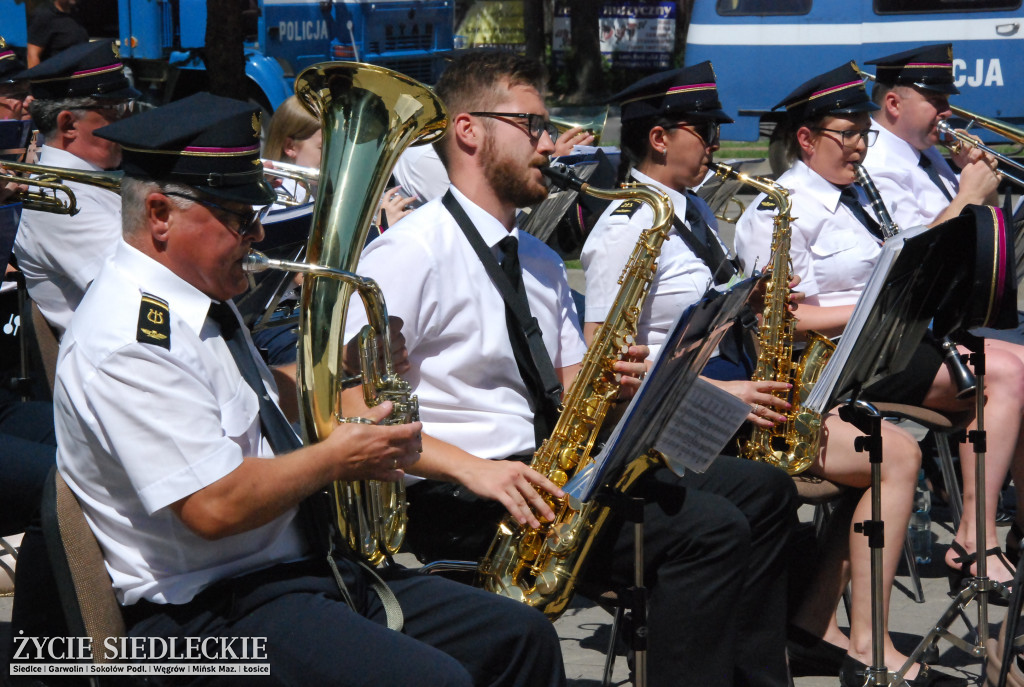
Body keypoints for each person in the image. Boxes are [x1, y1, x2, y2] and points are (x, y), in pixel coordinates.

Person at [53, 90, 565, 686]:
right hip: (207, 616)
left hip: (289, 577)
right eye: (241, 219)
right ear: (161, 214)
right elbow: (213, 506)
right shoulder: (130, 338)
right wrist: (336, 458)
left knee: (519, 637)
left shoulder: (193, 300)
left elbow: (251, 402)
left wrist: (346, 368)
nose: (260, 236)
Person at [344, 49, 794, 687]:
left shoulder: (540, 260)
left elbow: (576, 385)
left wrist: (627, 381)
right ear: (468, 129)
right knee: (706, 531)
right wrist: (479, 471)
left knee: (765, 492)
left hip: (552, 473)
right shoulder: (406, 255)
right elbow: (357, 416)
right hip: (464, 491)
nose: (550, 144)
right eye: (533, 126)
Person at [581, 61, 942, 685]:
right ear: (660, 137)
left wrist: (751, 304)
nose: (716, 144)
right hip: (679, 419)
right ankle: (817, 636)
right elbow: (603, 370)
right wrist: (726, 393)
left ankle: (809, 629)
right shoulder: (627, 229)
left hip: (729, 397)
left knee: (888, 451)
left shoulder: (689, 211)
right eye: (703, 129)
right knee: (890, 455)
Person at [732, 60, 1015, 686]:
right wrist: (873, 306)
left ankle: (822, 621)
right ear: (806, 140)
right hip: (810, 384)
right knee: (907, 447)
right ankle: (876, 634)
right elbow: (776, 324)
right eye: (847, 133)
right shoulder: (777, 210)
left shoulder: (860, 196)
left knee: (1002, 378)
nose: (861, 144)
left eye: (864, 131)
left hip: (867, 365)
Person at [861, 43, 1024, 591]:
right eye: (933, 99)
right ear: (892, 103)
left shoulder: (925, 156)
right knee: (1013, 371)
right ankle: (976, 538)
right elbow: (916, 267)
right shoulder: (880, 165)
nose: (946, 112)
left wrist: (975, 190)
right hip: (902, 339)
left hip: (949, 324)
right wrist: (968, 195)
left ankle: (1010, 531)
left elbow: (978, 248)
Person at [12, 40, 139, 336]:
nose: (128, 119)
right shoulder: (58, 201)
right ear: (69, 124)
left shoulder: (89, 182)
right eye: (116, 109)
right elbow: (139, 287)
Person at [25, 0, 88, 68]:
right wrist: (35, 77)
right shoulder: (44, 15)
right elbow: (32, 55)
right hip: (58, 75)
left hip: (79, 73)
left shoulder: (77, 12)